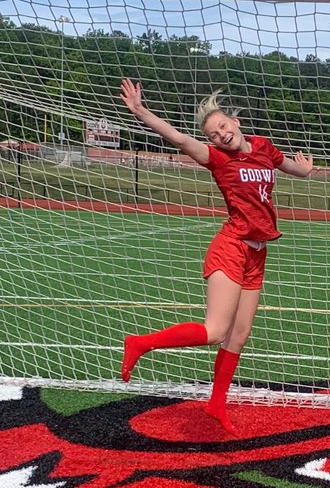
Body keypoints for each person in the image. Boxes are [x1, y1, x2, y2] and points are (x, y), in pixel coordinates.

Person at [119, 78, 315, 434]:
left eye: (223, 125)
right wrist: (140, 110)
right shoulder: (218, 159)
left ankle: (216, 403)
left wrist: (306, 169)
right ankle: (140, 344)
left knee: (238, 336)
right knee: (216, 330)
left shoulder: (263, 147)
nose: (221, 134)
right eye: (213, 133)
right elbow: (178, 138)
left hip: (258, 253)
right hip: (231, 247)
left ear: (236, 123)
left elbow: (290, 167)